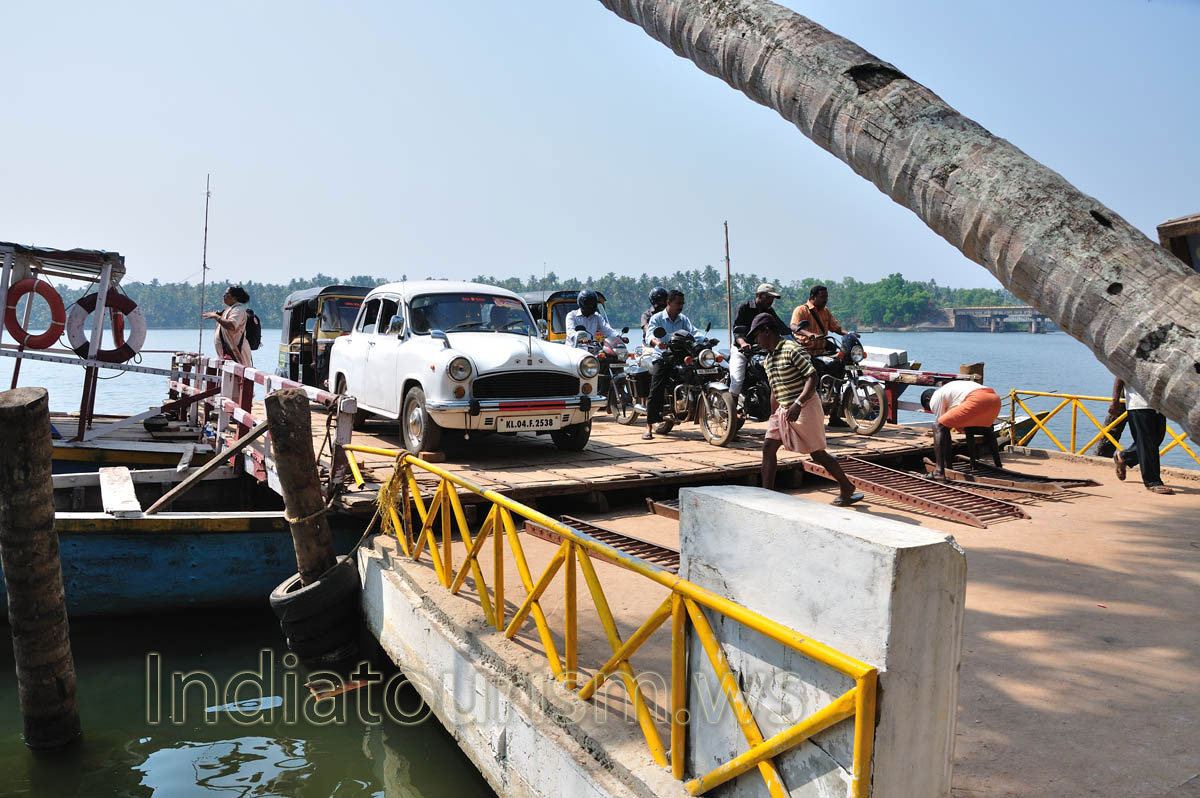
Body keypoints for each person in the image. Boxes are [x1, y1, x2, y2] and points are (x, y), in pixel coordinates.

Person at [751, 313, 862, 504]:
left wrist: (798, 404)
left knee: (817, 453)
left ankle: (846, 486)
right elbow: (774, 391)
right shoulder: (768, 360)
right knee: (768, 448)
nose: (755, 340)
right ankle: (766, 496)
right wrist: (772, 416)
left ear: (766, 332)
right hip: (784, 409)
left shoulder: (792, 349)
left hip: (805, 406)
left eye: (756, 335)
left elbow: (813, 378)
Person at [642, 289, 698, 440]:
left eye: (682, 303)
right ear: (669, 303)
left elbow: (693, 332)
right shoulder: (657, 318)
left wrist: (705, 340)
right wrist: (657, 342)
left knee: (698, 373)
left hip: (680, 356)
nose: (681, 306)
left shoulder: (683, 319)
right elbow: (650, 335)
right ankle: (648, 426)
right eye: (678, 303)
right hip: (662, 355)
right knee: (656, 387)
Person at [920, 379, 1002, 479]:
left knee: (937, 426)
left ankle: (938, 472)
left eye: (929, 408)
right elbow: (965, 427)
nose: (932, 410)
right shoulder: (951, 394)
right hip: (995, 400)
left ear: (928, 400)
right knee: (985, 429)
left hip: (977, 398)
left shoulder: (936, 396)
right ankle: (998, 465)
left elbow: (943, 429)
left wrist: (947, 464)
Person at [1110, 377, 1174, 494]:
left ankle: (1124, 457)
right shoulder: (1132, 358)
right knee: (1147, 443)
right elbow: (1120, 376)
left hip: (1158, 405)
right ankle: (1152, 482)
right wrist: (1115, 400)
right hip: (1139, 404)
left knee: (1156, 440)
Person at [730, 282, 787, 406]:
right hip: (742, 350)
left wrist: (795, 339)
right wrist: (743, 343)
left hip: (762, 350)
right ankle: (732, 412)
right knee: (737, 381)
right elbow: (738, 330)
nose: (771, 301)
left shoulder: (769, 311)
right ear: (759, 295)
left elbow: (781, 328)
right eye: (769, 297)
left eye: (773, 298)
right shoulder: (744, 307)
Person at [204, 285, 253, 366]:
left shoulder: (238, 309)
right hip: (229, 354)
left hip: (238, 351)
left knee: (241, 375)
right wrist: (218, 315)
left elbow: (231, 325)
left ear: (235, 298)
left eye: (226, 294)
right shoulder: (230, 309)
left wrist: (216, 317)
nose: (224, 296)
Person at [790, 285, 844, 357]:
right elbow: (793, 326)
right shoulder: (801, 310)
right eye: (822, 297)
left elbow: (836, 328)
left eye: (826, 297)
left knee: (842, 361)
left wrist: (849, 334)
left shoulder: (825, 311)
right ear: (813, 297)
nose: (825, 300)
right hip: (805, 352)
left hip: (822, 351)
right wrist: (809, 334)